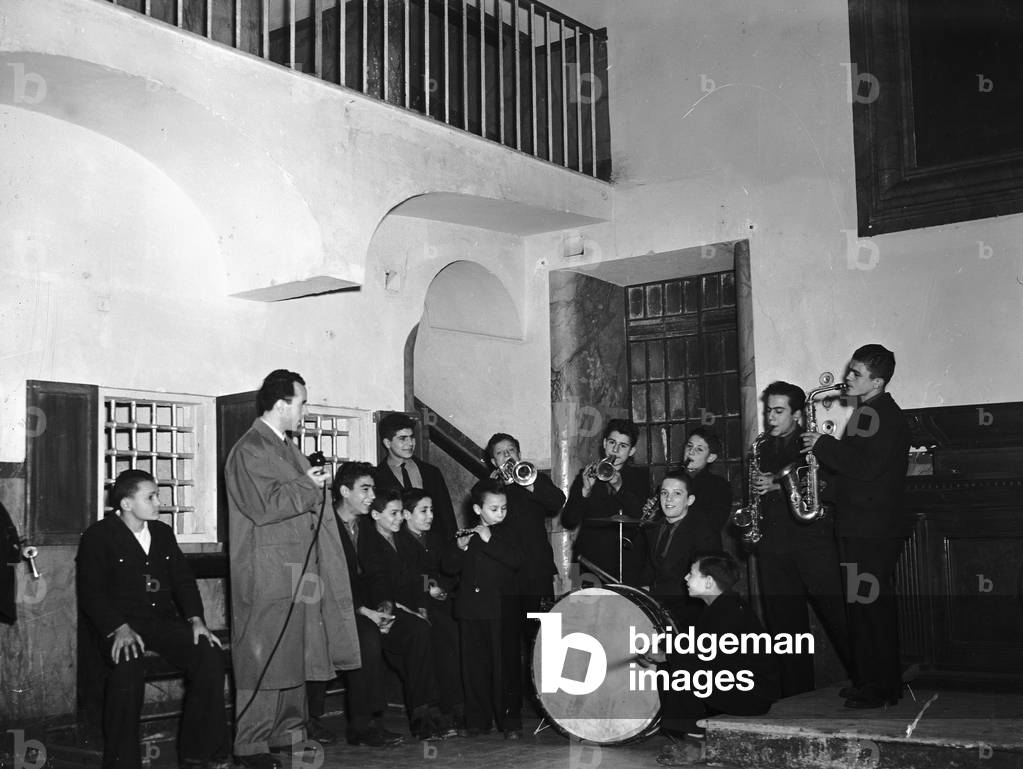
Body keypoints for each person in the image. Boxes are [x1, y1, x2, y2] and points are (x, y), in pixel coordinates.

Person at [226, 370, 360, 768]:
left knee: (296, 651)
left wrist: (310, 480)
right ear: (282, 403)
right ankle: (250, 744)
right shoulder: (250, 449)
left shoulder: (287, 448)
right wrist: (307, 483)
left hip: (299, 569)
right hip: (267, 570)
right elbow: (264, 506)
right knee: (264, 654)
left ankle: (286, 733)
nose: (304, 411)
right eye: (301, 402)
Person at [77, 469, 230, 769]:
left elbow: (183, 580)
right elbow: (92, 593)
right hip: (120, 625)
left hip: (161, 622)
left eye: (157, 494)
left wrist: (197, 620)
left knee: (209, 654)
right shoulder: (98, 536)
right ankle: (123, 762)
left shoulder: (161, 533)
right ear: (126, 503)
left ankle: (198, 754)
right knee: (128, 664)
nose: (158, 501)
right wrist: (118, 628)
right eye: (150, 496)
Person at [802, 344, 910, 709]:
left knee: (869, 608)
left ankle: (877, 688)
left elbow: (866, 468)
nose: (847, 378)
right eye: (850, 371)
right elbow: (860, 474)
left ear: (877, 382)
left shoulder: (880, 415)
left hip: (871, 530)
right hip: (863, 525)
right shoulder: (870, 411)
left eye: (857, 374)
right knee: (863, 607)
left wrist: (823, 445)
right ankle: (874, 682)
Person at [752, 381, 854, 697]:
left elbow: (831, 490)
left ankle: (870, 681)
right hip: (774, 547)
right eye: (769, 410)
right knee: (784, 628)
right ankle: (795, 694)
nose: (771, 418)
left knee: (839, 616)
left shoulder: (814, 444)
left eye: (779, 411)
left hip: (813, 544)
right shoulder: (762, 447)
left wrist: (781, 486)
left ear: (797, 414)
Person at [655, 552, 780, 766]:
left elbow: (704, 659)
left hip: (750, 696)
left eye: (692, 573)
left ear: (709, 582)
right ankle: (694, 739)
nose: (685, 578)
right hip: (743, 688)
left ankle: (695, 747)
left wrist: (665, 655)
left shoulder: (726, 612)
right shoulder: (723, 606)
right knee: (676, 666)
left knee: (679, 673)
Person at [312, 462, 404, 747]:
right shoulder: (323, 525)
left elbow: (376, 573)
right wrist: (364, 611)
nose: (371, 495)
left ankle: (364, 725)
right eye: (365, 489)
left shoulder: (365, 526)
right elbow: (322, 578)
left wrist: (384, 605)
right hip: (323, 608)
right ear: (343, 491)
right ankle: (314, 721)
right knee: (359, 637)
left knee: (369, 637)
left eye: (373, 489)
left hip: (361, 610)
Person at [485, 432, 566, 738]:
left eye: (511, 451)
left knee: (543, 645)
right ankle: (510, 720)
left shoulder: (534, 480)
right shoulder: (490, 488)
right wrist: (498, 486)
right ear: (493, 461)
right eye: (501, 453)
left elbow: (557, 501)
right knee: (506, 649)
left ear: (519, 454)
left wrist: (528, 483)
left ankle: (554, 713)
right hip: (504, 579)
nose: (507, 457)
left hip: (536, 576)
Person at [361, 488, 447, 740]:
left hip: (406, 609)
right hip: (381, 613)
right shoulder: (369, 545)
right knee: (418, 633)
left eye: (401, 513)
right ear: (376, 515)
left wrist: (422, 603)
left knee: (432, 629)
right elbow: (377, 587)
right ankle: (422, 715)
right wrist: (405, 609)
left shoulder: (402, 541)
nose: (400, 518)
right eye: (394, 513)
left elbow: (417, 578)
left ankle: (431, 710)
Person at [443, 479, 524, 738]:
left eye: (503, 508)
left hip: (501, 610)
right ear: (478, 509)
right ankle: (477, 721)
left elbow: (516, 561)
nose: (500, 513)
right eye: (493, 509)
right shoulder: (466, 532)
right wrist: (459, 548)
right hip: (471, 609)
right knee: (474, 667)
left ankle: (509, 723)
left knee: (504, 669)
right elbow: (448, 568)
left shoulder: (510, 533)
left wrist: (490, 540)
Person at [399, 489, 465, 734]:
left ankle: (456, 706)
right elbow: (409, 574)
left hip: (440, 600)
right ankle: (442, 709)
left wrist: (443, 587)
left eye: (432, 510)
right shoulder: (400, 540)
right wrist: (431, 587)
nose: (430, 516)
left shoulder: (434, 538)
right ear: (406, 514)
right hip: (416, 602)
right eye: (423, 511)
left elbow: (447, 569)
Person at [561, 418, 650, 585]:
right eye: (612, 442)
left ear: (631, 451)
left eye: (623, 446)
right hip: (587, 562)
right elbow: (568, 521)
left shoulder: (640, 478)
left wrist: (619, 487)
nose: (615, 450)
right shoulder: (586, 474)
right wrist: (585, 490)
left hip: (626, 563)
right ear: (604, 443)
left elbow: (642, 519)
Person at [640, 471, 720, 628]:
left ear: (689, 500)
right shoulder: (657, 526)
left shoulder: (704, 532)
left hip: (689, 612)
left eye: (677, 493)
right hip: (658, 607)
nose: (668, 499)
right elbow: (649, 568)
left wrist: (651, 591)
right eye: (664, 493)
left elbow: (701, 583)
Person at [373, 413, 458, 542]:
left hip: (434, 548)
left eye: (412, 437)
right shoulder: (377, 477)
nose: (410, 443)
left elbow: (447, 517)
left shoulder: (431, 472)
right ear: (387, 442)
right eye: (402, 438)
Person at [681, 428, 733, 547]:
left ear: (711, 457)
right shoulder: (671, 480)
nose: (691, 452)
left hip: (702, 552)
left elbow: (714, 524)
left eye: (699, 449)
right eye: (689, 446)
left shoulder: (720, 485)